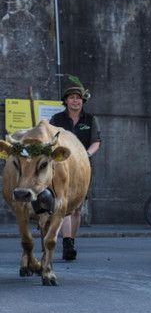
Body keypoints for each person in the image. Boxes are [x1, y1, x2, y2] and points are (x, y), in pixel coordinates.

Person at [48, 77, 101, 260]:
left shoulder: (90, 119)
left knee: (76, 208)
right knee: (64, 205)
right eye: (71, 97)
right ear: (66, 101)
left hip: (82, 168)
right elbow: (50, 141)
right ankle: (67, 243)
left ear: (83, 101)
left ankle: (71, 240)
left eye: (78, 98)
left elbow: (96, 142)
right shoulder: (57, 119)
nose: (75, 100)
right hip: (61, 167)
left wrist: (86, 155)